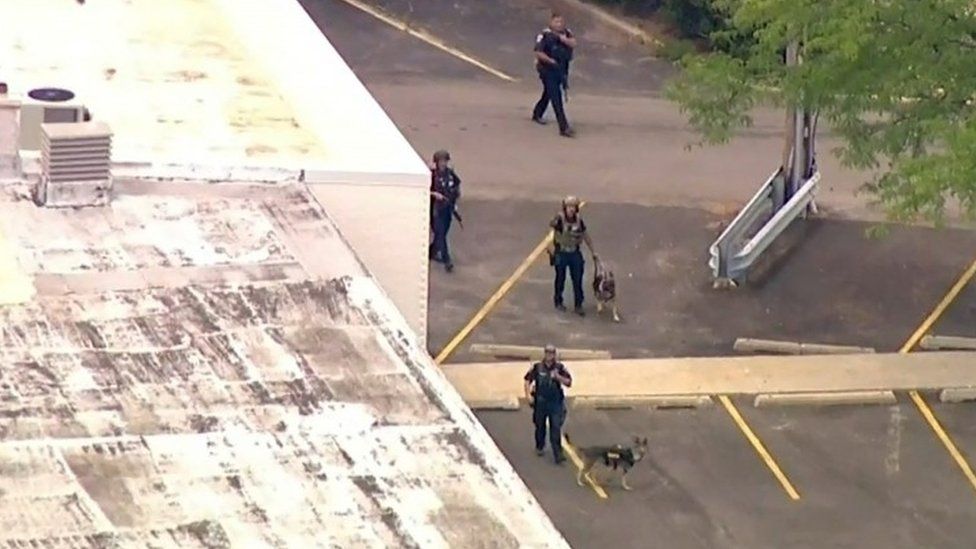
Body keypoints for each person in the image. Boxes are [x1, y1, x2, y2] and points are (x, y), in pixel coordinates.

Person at [524, 344, 573, 464]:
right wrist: (528, 395)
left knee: (555, 428)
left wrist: (558, 377)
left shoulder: (560, 367)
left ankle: (558, 455)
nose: (549, 355)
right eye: (547, 353)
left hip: (555, 402)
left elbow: (569, 382)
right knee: (540, 426)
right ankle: (540, 446)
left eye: (551, 353)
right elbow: (527, 380)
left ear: (554, 355)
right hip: (540, 402)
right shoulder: (538, 367)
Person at [548, 195, 597, 316]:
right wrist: (551, 249)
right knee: (560, 278)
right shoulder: (560, 219)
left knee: (577, 279)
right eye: (568, 206)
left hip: (574, 252)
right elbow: (552, 230)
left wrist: (593, 251)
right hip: (562, 252)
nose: (571, 209)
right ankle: (558, 300)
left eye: (573, 207)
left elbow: (585, 235)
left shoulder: (579, 221)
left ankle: (578, 304)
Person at [531, 12, 576, 138]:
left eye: (561, 22)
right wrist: (550, 61)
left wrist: (562, 39)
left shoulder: (567, 33)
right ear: (551, 22)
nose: (559, 24)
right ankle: (564, 127)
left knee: (548, 93)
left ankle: (537, 113)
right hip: (547, 69)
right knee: (556, 97)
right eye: (556, 22)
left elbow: (573, 43)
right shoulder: (544, 35)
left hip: (561, 70)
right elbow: (538, 52)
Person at [429, 149, 462, 272]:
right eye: (440, 161)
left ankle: (431, 252)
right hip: (436, 209)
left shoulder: (450, 174)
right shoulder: (432, 175)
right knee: (441, 233)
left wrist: (455, 201)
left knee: (441, 234)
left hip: (447, 209)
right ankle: (447, 260)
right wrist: (434, 194)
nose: (443, 163)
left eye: (444, 161)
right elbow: (425, 190)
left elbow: (457, 186)